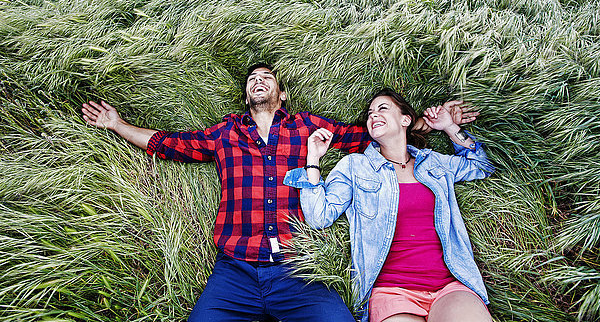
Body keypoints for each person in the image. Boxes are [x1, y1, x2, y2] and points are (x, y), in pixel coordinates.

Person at [82, 64, 478, 322]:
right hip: (234, 269)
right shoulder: (225, 133)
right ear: (246, 95)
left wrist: (428, 126)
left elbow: (370, 134)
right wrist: (118, 125)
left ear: (281, 93)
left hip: (296, 269)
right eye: (252, 79)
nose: (258, 80)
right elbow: (169, 143)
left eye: (267, 77)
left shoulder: (306, 126)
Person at [283, 88, 494, 322]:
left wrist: (448, 127)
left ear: (406, 120)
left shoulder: (432, 162)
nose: (373, 116)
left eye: (382, 109)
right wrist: (313, 159)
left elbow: (481, 166)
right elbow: (318, 216)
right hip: (391, 292)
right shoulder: (355, 166)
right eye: (370, 113)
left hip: (449, 286)